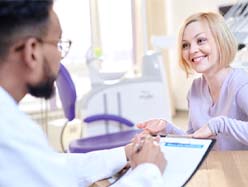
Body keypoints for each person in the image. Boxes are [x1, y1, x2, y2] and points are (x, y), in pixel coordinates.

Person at [0, 1, 166, 187]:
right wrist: (148, 171)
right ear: (32, 52)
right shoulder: (10, 131)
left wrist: (125, 153)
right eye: (58, 45)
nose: (60, 56)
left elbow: (54, 166)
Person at [137, 12, 248, 153]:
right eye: (186, 45)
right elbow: (195, 139)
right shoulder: (196, 89)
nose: (192, 50)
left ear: (220, 42)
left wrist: (221, 124)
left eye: (201, 40)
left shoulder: (243, 86)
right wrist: (167, 128)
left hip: (243, 173)